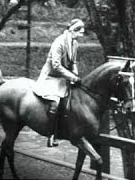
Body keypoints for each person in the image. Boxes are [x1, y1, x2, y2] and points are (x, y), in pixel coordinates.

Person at [33, 19, 85, 147]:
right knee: (55, 103)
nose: (81, 36)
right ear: (73, 31)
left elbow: (73, 62)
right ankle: (51, 134)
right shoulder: (59, 43)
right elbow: (56, 65)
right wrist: (72, 77)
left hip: (64, 77)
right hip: (51, 77)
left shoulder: (74, 44)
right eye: (80, 33)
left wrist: (76, 75)